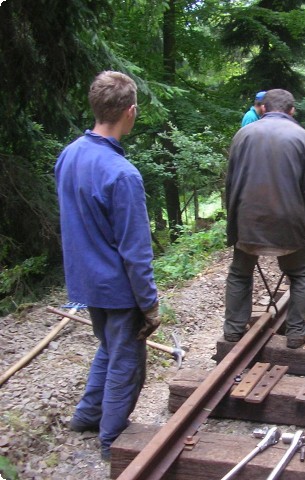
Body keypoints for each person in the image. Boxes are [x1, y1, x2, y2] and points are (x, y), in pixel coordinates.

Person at [55, 71, 160, 461]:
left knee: (109, 348)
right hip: (117, 287)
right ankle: (112, 440)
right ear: (130, 112)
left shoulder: (69, 155)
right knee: (127, 362)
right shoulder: (123, 174)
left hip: (84, 281)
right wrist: (148, 303)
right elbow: (136, 252)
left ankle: (86, 415)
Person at [224, 89, 305, 349]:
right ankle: (296, 331)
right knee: (301, 274)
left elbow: (230, 184)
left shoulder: (242, 135)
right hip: (289, 222)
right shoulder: (302, 137)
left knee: (240, 273)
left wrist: (232, 227)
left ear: (263, 109)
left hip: (247, 220)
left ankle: (233, 329)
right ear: (292, 111)